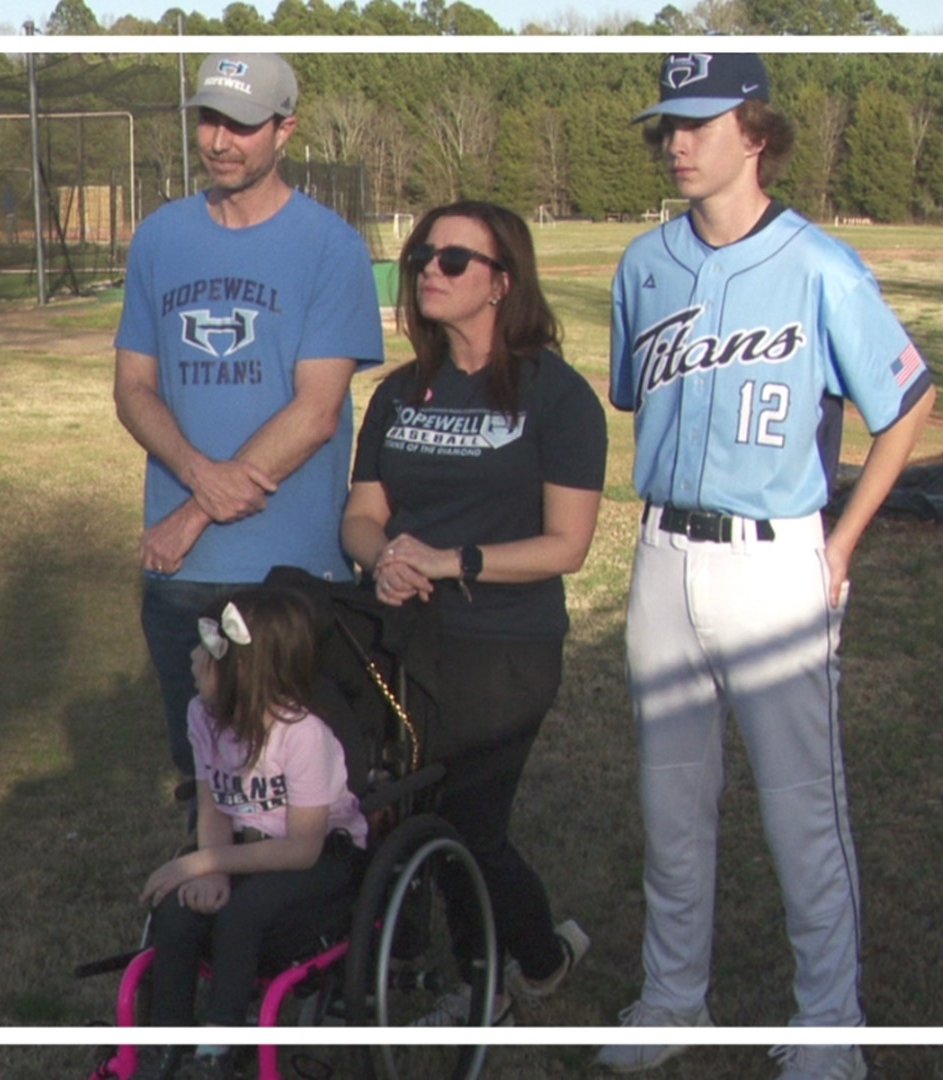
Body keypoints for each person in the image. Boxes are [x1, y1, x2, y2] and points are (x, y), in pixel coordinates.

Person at [595, 53, 936, 1080]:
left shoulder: (822, 264)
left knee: (801, 808)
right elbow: (631, 392)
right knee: (672, 801)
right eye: (669, 126)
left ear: (757, 133)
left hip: (775, 555)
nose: (678, 143)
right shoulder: (643, 263)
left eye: (699, 123)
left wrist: (840, 541)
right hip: (662, 552)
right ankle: (671, 1000)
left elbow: (908, 401)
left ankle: (830, 1022)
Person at [340, 200, 607, 1026]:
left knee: (467, 820)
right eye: (424, 253)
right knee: (397, 809)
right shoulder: (397, 394)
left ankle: (506, 973)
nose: (430, 268)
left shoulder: (555, 397)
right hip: (403, 638)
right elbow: (359, 511)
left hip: (505, 644)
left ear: (502, 283)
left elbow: (568, 544)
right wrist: (379, 557)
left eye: (455, 259)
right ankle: (451, 958)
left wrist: (451, 563)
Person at [114, 52, 384, 779]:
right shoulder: (161, 238)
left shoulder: (332, 247)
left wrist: (194, 512)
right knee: (202, 780)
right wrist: (200, 480)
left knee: (294, 790)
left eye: (241, 124)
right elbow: (133, 388)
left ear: (284, 129)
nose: (220, 141)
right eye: (209, 120)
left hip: (288, 576)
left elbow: (317, 412)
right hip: (179, 577)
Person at [133, 587, 368, 1080]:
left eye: (207, 650)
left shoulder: (303, 735)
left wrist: (204, 863)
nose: (194, 657)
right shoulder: (203, 715)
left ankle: (219, 1048)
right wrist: (211, 863)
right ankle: (165, 1044)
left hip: (321, 856)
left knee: (243, 913)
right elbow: (212, 801)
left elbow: (303, 849)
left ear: (242, 669)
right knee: (177, 910)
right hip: (244, 849)